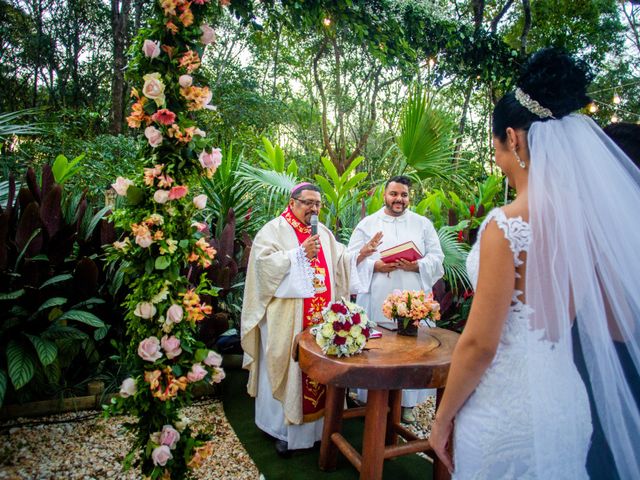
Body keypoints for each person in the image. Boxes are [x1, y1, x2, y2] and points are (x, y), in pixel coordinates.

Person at [429, 48, 640, 479]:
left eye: (497, 150)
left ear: (515, 138)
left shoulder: (504, 225)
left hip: (505, 412)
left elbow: (479, 345)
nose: (499, 162)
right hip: (568, 406)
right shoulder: (589, 224)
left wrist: (442, 417)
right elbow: (619, 326)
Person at [240, 182, 379, 456]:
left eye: (318, 203)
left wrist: (359, 255)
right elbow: (263, 267)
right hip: (286, 319)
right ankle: (281, 431)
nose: (314, 208)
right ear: (292, 202)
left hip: (319, 321)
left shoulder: (323, 233)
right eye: (308, 202)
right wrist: (298, 255)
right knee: (287, 366)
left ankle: (318, 431)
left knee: (317, 368)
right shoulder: (274, 230)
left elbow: (340, 262)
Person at [347, 175, 444, 423]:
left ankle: (407, 404)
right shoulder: (368, 224)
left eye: (403, 195)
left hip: (413, 299)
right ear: (384, 195)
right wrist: (375, 265)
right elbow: (350, 258)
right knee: (377, 349)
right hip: (377, 296)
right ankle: (372, 399)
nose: (398, 199)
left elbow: (437, 257)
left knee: (412, 351)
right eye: (394, 194)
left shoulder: (422, 224)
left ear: (409, 197)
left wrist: (416, 266)